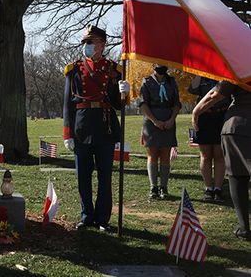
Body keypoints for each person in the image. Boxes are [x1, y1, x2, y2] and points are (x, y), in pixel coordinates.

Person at [62, 25, 129, 231]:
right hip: (81, 126)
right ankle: (86, 215)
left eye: (90, 42)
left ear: (102, 44)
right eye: (85, 42)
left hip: (104, 125)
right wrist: (68, 134)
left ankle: (102, 218)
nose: (87, 46)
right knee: (83, 175)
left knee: (104, 176)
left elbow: (119, 105)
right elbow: (67, 104)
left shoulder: (113, 69)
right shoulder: (73, 69)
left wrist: (124, 93)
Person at [192, 81, 251, 240]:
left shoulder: (240, 65)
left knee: (238, 176)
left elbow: (215, 94)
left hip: (239, 125)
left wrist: (197, 111)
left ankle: (245, 228)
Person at [139, 64, 181, 199]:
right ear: (152, 66)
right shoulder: (147, 81)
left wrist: (171, 119)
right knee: (152, 154)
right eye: (157, 64)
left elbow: (176, 103)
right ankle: (153, 187)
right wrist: (154, 121)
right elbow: (143, 104)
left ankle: (164, 187)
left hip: (168, 119)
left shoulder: (172, 81)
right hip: (151, 120)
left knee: (165, 154)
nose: (160, 66)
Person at [188, 76, 229, 202]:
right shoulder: (202, 76)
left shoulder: (225, 76)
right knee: (205, 156)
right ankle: (208, 188)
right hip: (204, 117)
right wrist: (198, 72)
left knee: (219, 155)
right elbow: (192, 89)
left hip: (222, 116)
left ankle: (217, 189)